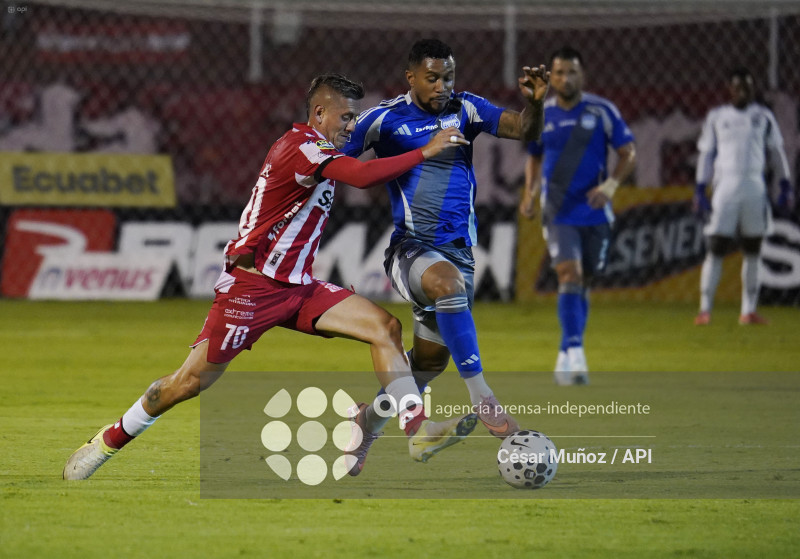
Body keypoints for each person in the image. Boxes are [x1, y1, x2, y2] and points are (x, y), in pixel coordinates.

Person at [63, 73, 474, 481]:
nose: (352, 127)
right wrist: (426, 151)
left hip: (298, 287)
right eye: (346, 117)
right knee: (186, 384)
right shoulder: (302, 148)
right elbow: (364, 178)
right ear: (318, 112)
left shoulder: (320, 147)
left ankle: (417, 430)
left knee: (384, 328)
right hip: (253, 287)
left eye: (355, 118)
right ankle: (105, 443)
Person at [341, 38, 550, 447]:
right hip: (410, 248)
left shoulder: (467, 109)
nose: (443, 86)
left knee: (425, 367)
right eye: (433, 78)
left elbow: (524, 129)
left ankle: (367, 423)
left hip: (459, 252)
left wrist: (537, 105)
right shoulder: (383, 120)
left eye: (448, 77)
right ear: (411, 78)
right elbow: (334, 163)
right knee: (447, 285)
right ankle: (483, 397)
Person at [519, 46, 636, 385]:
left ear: (582, 75)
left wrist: (611, 187)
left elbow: (628, 153)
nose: (564, 78)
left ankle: (566, 350)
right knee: (569, 274)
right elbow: (534, 157)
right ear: (551, 77)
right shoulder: (544, 114)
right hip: (557, 211)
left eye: (571, 72)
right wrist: (529, 193)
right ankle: (575, 352)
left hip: (596, 211)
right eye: (558, 73)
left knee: (584, 281)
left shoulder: (601, 111)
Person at [693, 67, 794, 326]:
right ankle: (705, 310)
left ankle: (748, 311)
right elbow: (706, 153)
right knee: (716, 246)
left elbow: (777, 151)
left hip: (754, 185)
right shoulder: (717, 117)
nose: (742, 92)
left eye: (747, 87)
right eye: (737, 87)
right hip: (725, 185)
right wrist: (700, 187)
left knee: (753, 249)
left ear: (752, 89)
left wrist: (785, 183)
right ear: (730, 89)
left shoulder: (763, 116)